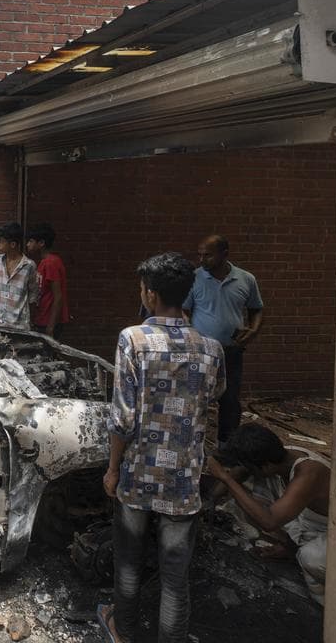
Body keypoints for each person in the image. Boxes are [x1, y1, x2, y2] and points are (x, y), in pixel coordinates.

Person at [97, 252, 225, 643]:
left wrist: (113, 469)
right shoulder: (211, 348)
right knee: (174, 575)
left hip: (139, 473)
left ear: (150, 294)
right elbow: (214, 397)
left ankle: (125, 631)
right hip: (183, 480)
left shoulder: (132, 340)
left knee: (130, 564)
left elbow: (122, 418)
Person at [207, 423, 336, 606]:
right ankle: (297, 551)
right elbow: (239, 474)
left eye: (252, 468)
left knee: (311, 558)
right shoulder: (278, 456)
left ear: (265, 466)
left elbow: (269, 521)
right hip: (320, 530)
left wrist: (224, 477)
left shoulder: (309, 473)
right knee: (245, 498)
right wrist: (209, 502)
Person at [183, 234, 264, 443]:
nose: (202, 260)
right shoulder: (194, 278)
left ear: (224, 254)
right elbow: (184, 310)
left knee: (230, 400)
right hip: (202, 351)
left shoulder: (246, 279)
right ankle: (192, 442)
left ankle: (226, 446)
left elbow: (256, 309)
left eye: (208, 255)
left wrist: (253, 331)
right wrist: (190, 334)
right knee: (196, 397)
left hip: (232, 350)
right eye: (200, 255)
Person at [0, 222, 38, 332]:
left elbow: (33, 294)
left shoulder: (29, 266)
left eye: (1, 241)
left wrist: (30, 319)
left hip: (19, 325)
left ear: (13, 244)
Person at [26, 223, 69, 340]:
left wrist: (50, 326)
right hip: (42, 318)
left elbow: (58, 296)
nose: (27, 245)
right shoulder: (43, 262)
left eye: (30, 241)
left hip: (49, 321)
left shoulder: (51, 263)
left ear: (41, 243)